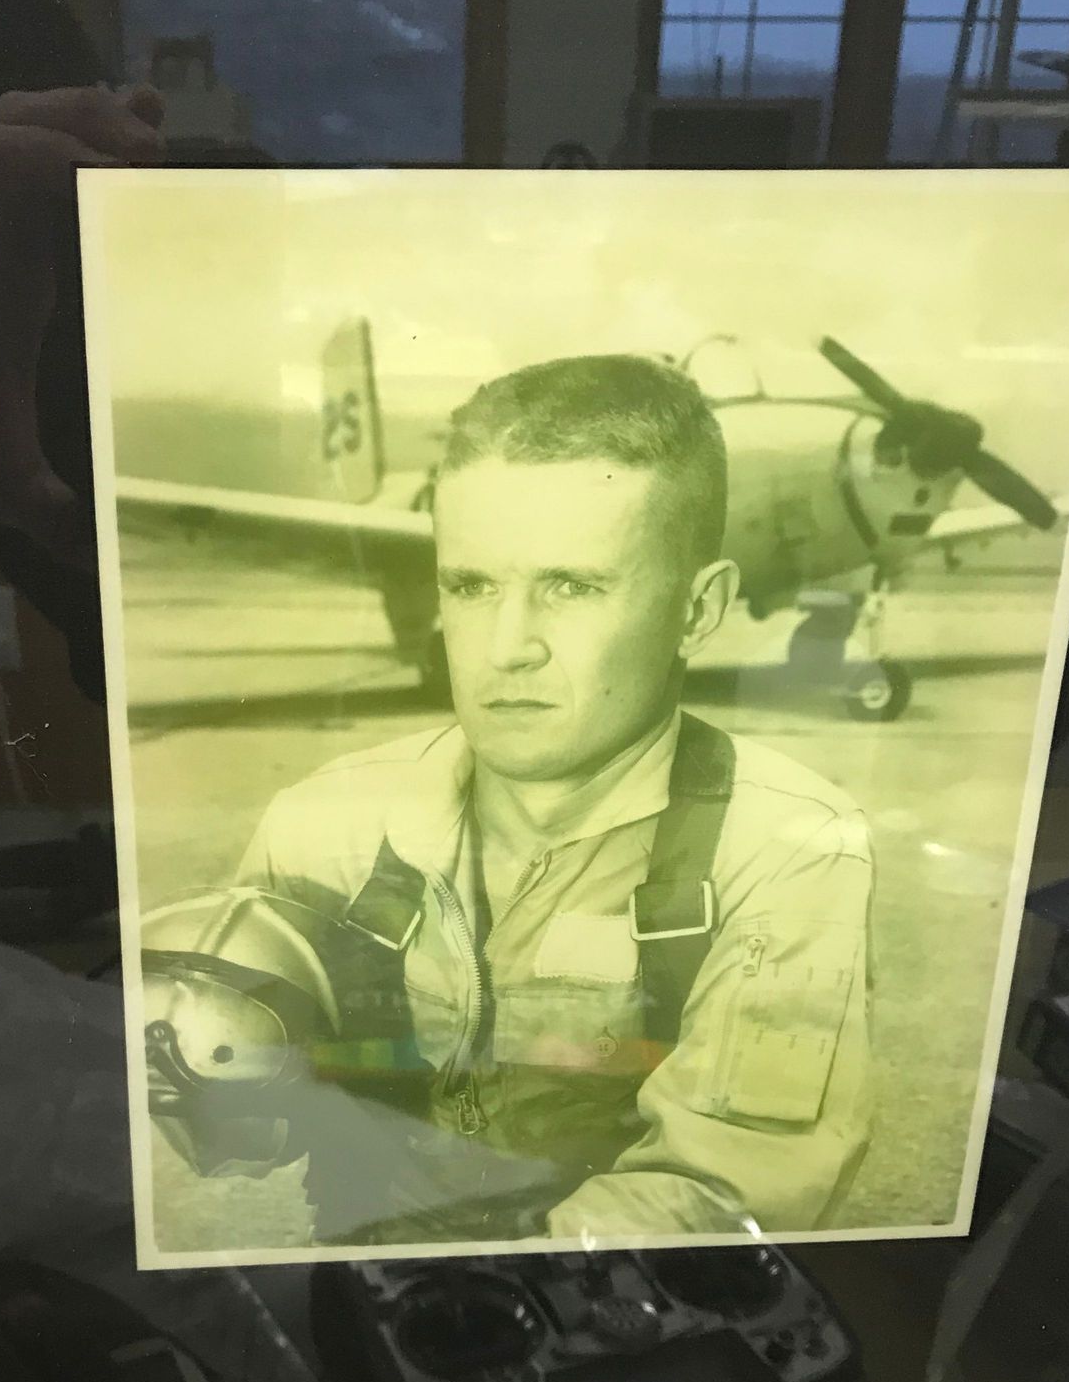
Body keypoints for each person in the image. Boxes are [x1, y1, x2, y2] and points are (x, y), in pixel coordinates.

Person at [208, 354, 875, 1246]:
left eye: (573, 586)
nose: (506, 647)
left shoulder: (784, 847)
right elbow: (235, 1130)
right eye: (470, 586)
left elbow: (724, 1187)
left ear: (698, 609)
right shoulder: (321, 827)